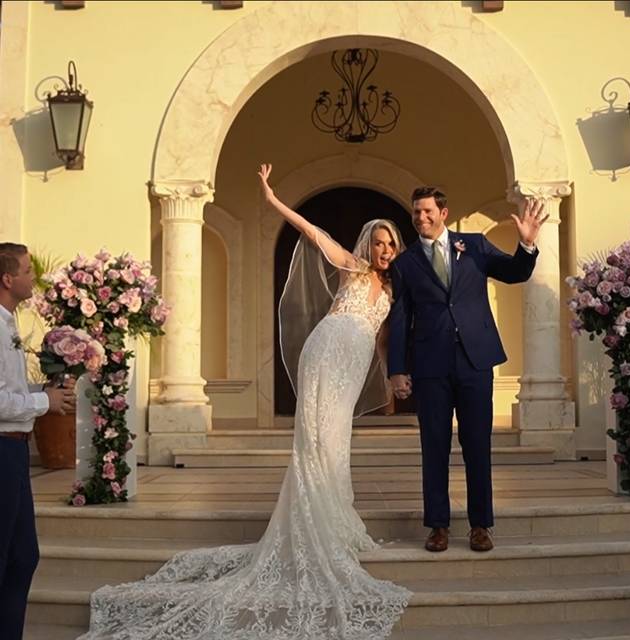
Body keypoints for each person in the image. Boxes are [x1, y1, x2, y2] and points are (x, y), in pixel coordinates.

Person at [80, 165, 411, 640]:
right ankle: (312, 526)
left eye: (389, 244)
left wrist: (390, 382)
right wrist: (272, 198)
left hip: (354, 358)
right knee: (316, 438)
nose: (383, 250)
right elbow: (312, 232)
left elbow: (380, 342)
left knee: (337, 440)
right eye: (378, 242)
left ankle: (333, 519)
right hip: (328, 347)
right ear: (367, 246)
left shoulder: (394, 289)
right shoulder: (354, 268)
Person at [387, 186, 544, 553]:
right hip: (430, 367)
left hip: (475, 362)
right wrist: (397, 369)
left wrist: (527, 245)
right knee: (434, 447)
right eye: (416, 213)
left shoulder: (474, 245)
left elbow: (515, 273)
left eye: (427, 211)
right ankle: (438, 525)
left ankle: (481, 525)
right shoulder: (406, 264)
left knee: (477, 445)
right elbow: (400, 319)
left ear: (443, 212)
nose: (421, 218)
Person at [1, 242, 75, 640]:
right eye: (28, 271)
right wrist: (43, 401)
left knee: (23, 556)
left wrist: (44, 389)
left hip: (15, 450)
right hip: (2, 449)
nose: (34, 277)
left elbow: (8, 388)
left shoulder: (9, 321)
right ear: (7, 278)